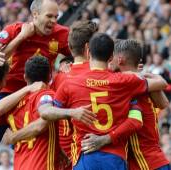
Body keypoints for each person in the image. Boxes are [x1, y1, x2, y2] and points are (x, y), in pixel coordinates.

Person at [42, 33, 167, 169]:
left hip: (87, 156)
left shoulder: (69, 82)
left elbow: (46, 112)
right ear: (111, 57)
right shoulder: (125, 82)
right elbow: (160, 95)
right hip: (116, 158)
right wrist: (140, 75)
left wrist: (71, 112)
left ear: (88, 52)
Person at [0, 0, 71, 147]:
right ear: (35, 15)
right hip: (8, 93)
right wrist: (21, 37)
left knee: (30, 142)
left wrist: (65, 62)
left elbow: (76, 53)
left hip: (36, 93)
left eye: (56, 17)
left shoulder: (62, 33)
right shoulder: (16, 29)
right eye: (49, 16)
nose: (54, 21)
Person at [81, 39, 171, 170]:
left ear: (120, 60)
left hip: (145, 163)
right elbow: (164, 103)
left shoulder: (125, 84)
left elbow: (136, 121)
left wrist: (104, 139)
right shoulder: (140, 81)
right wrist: (143, 74)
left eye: (111, 57)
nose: (108, 61)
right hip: (154, 159)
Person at [50, 20, 97, 168]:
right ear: (90, 47)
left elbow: (61, 122)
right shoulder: (108, 73)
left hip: (78, 154)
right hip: (110, 151)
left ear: (70, 48)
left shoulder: (60, 77)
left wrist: (71, 154)